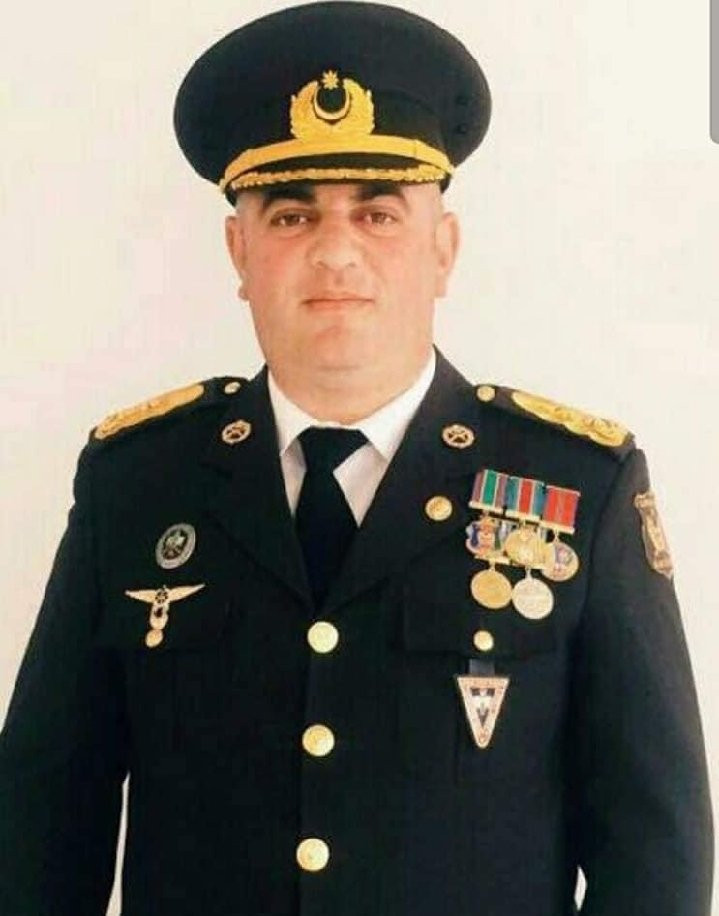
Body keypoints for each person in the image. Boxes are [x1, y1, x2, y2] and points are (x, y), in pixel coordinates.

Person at [0, 3, 713, 915]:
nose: (335, 253)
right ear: (239, 250)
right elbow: (41, 828)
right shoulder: (136, 484)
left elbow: (655, 859)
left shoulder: (581, 487)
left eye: (377, 213)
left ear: (441, 249)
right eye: (292, 215)